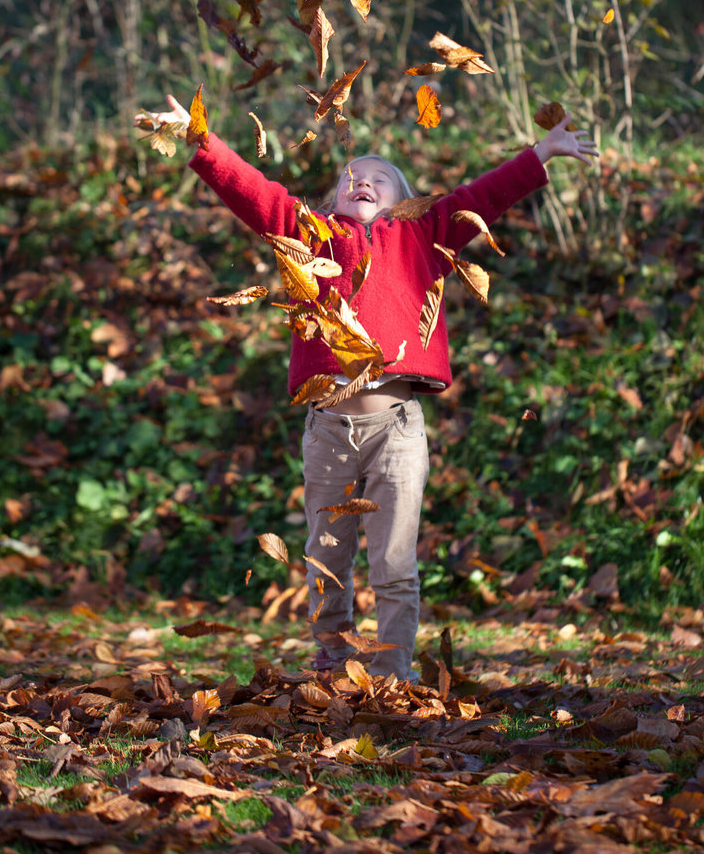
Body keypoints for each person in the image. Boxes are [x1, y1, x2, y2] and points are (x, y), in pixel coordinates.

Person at [137, 95, 598, 683]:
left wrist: (541, 154)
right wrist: (203, 139)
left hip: (398, 426)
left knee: (394, 562)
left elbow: (483, 197)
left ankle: (394, 674)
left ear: (402, 202)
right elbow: (255, 196)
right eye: (352, 176)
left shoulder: (424, 234)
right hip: (329, 428)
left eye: (380, 179)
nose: (363, 181)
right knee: (327, 556)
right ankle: (331, 661)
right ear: (332, 198)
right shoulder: (310, 236)